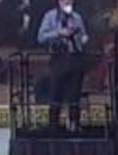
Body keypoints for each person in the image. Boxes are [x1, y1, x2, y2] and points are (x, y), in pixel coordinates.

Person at [38, 0, 89, 131]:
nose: (67, 2)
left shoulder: (77, 17)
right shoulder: (50, 17)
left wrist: (83, 38)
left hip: (75, 58)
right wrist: (59, 33)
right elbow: (41, 37)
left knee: (74, 95)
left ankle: (74, 124)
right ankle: (54, 125)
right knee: (56, 93)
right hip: (58, 59)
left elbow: (84, 36)